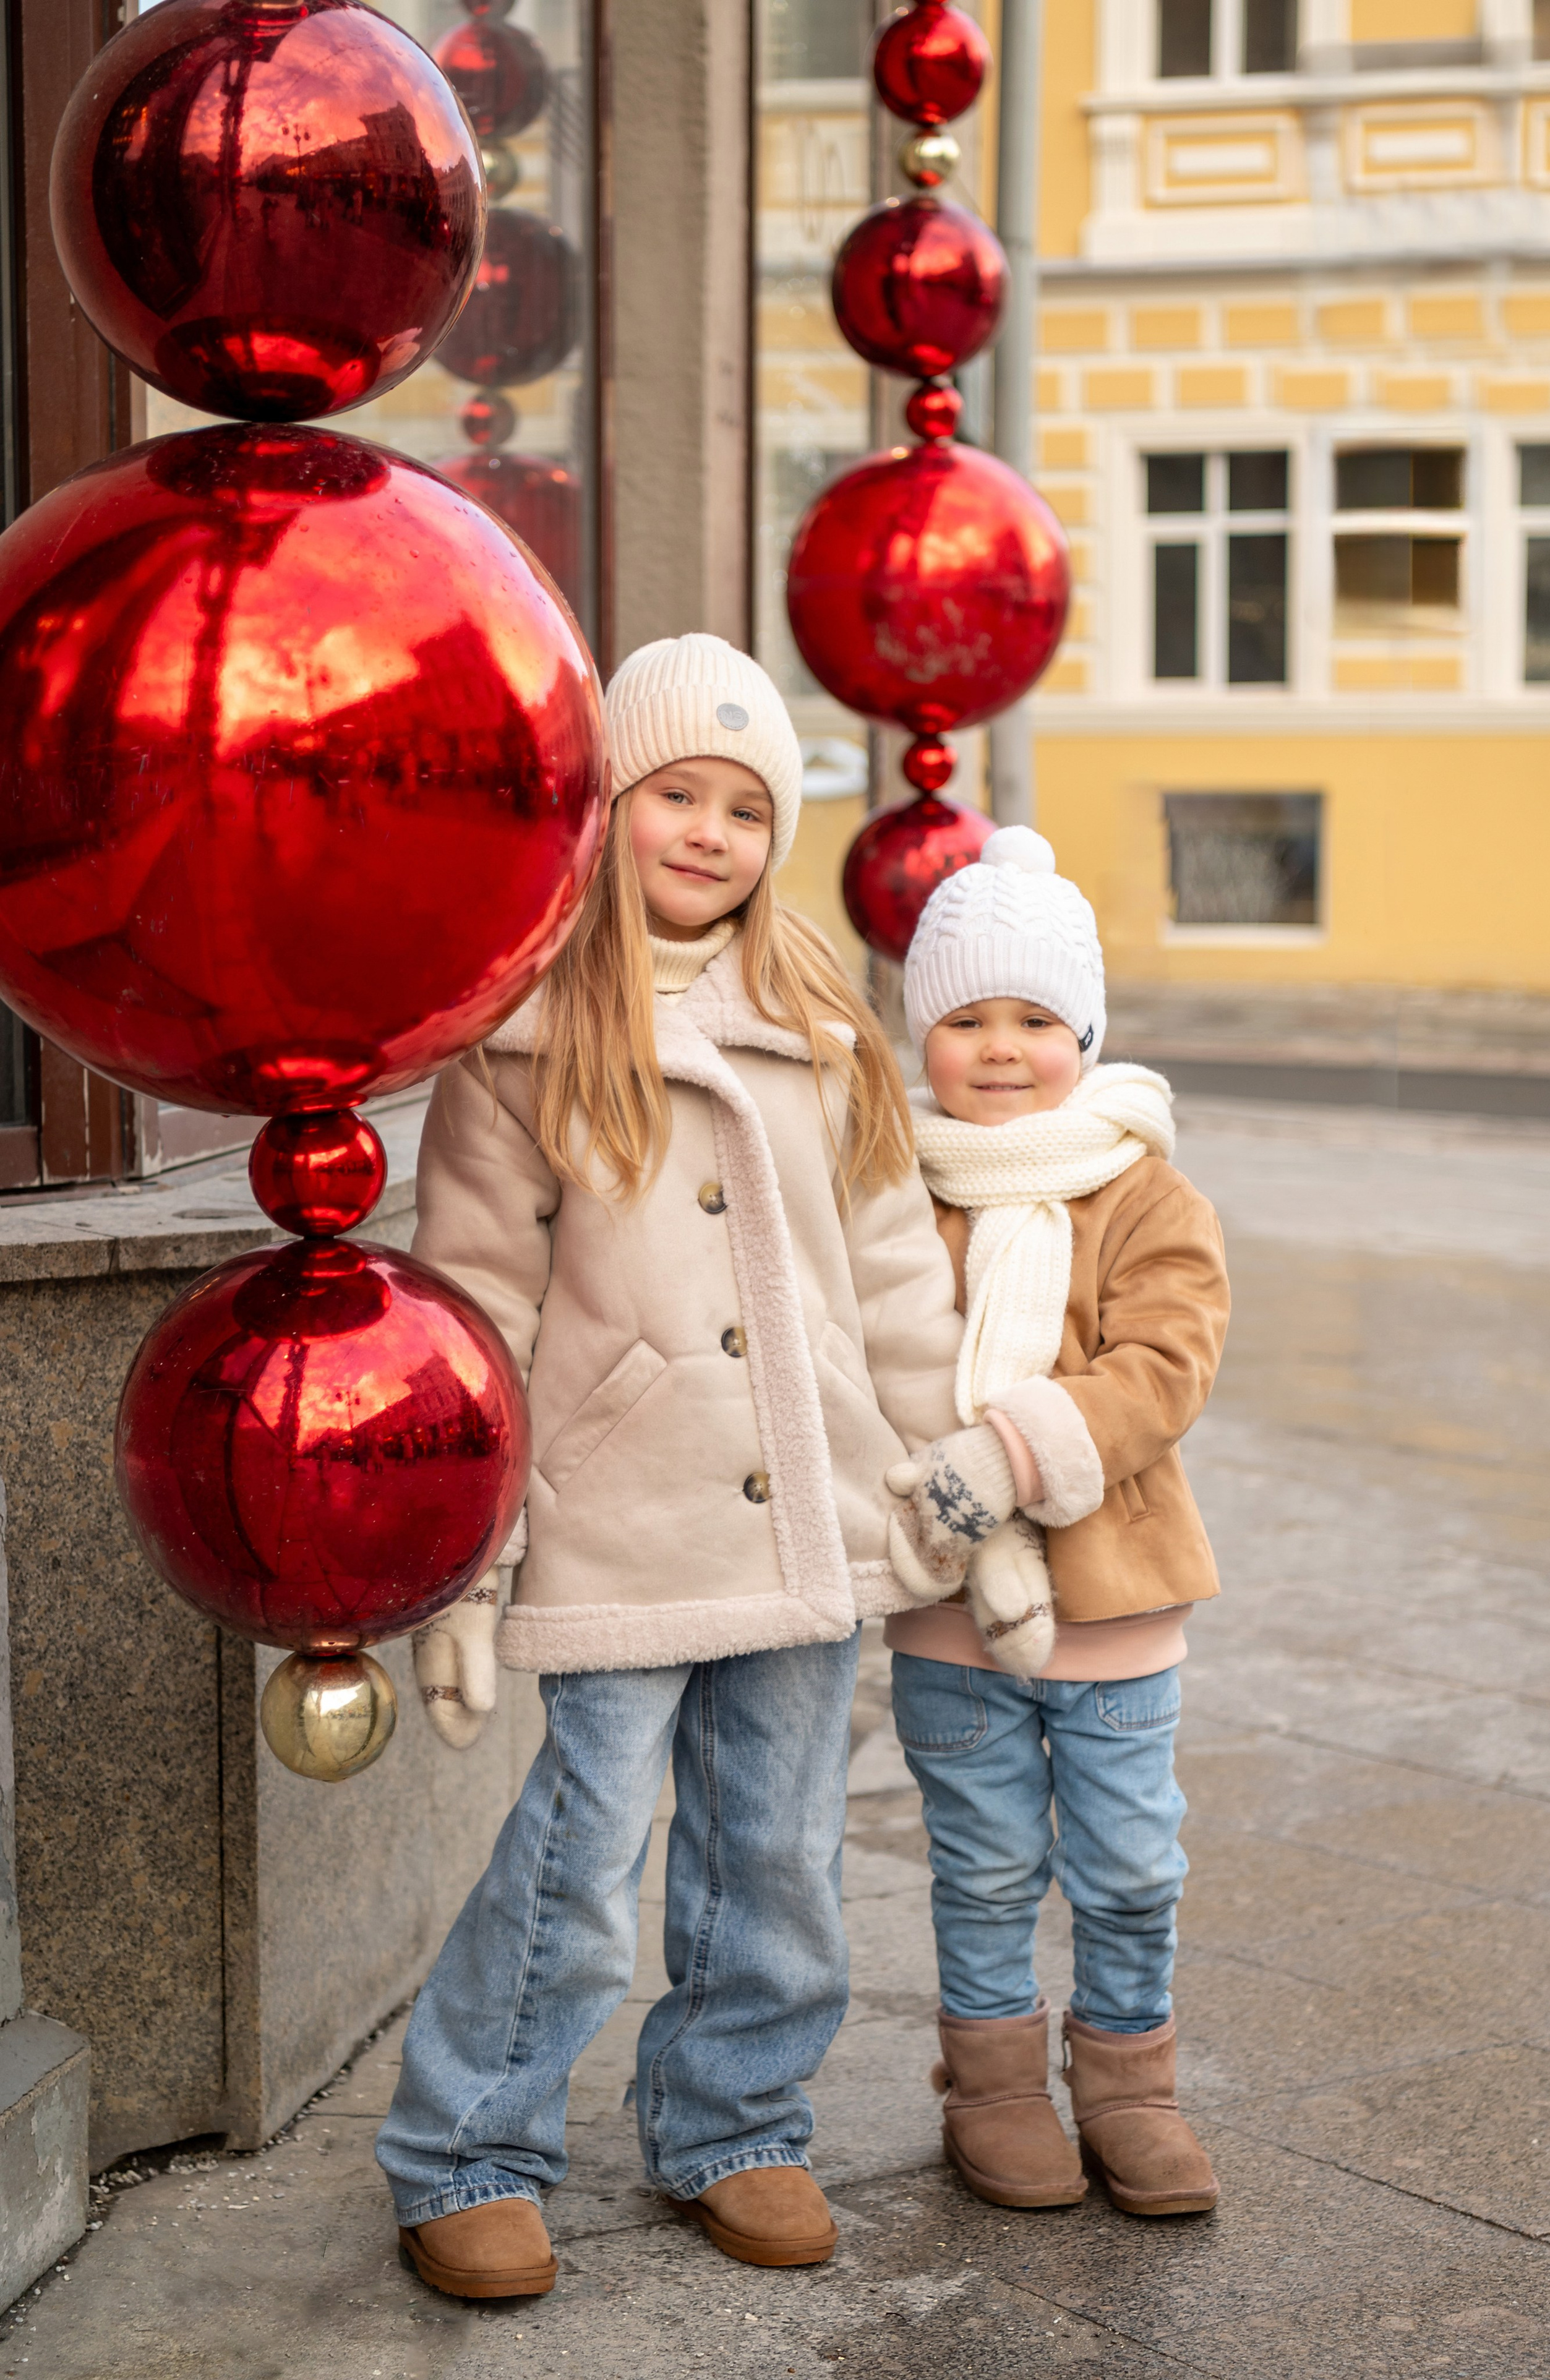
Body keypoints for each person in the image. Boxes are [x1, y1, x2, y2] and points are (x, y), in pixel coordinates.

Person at [374, 633, 961, 2299]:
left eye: (744, 808)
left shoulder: (824, 1030)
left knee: (775, 1851)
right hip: (610, 1523)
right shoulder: (525, 1041)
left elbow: (899, 1270)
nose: (706, 832)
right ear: (603, 809)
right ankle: (470, 2145)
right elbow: (475, 1306)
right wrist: (467, 1569)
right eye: (670, 795)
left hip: (803, 1520)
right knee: (579, 1853)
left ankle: (737, 2121)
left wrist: (938, 1478)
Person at [883, 824, 1229, 2220]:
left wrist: (1010, 1454)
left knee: (1129, 1862)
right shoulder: (898, 1187)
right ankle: (994, 2084)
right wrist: (931, 1472)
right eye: (966, 1018)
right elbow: (874, 1345)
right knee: (978, 1863)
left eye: (1033, 1017)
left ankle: (1130, 2085)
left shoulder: (1140, 1187)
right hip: (951, 1604)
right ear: (926, 1036)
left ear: (1082, 1031)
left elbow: (1166, 1364)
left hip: (1117, 1602)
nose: (1002, 1047)